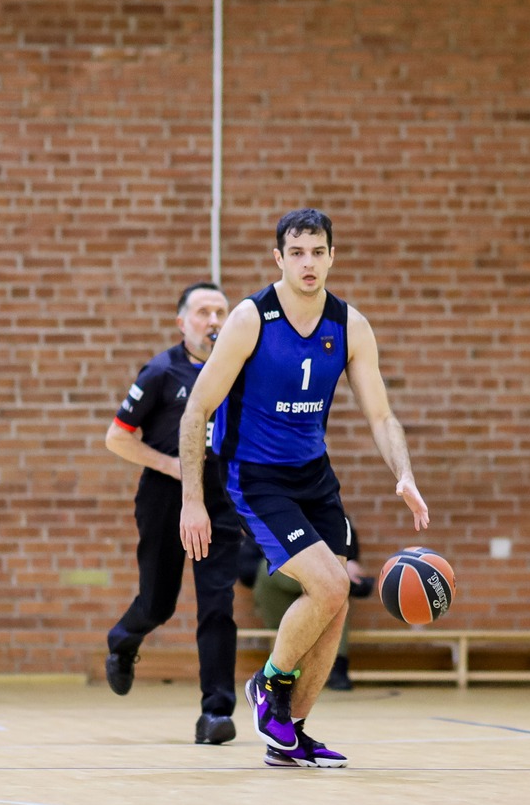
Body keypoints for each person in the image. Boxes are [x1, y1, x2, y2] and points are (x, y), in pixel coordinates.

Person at [179, 208, 428, 767]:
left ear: (332, 257)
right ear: (279, 259)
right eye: (297, 253)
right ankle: (267, 684)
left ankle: (290, 734)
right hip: (256, 477)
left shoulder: (349, 325)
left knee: (334, 606)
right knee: (332, 585)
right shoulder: (251, 319)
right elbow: (197, 410)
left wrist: (404, 474)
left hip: (314, 476)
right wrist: (192, 500)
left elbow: (382, 416)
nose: (308, 263)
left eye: (317, 252)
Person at [102, 282, 244, 744]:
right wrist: (175, 467)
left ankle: (216, 713)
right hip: (166, 498)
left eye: (221, 312)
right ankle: (123, 640)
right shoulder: (161, 372)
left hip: (219, 500)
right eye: (203, 312)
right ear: (182, 323)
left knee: (217, 604)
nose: (214, 321)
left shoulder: (239, 371)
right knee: (158, 602)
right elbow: (117, 438)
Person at [245, 531, 372, 690]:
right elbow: (246, 569)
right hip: (277, 589)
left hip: (322, 587)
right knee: (329, 580)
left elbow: (351, 557)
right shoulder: (269, 518)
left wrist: (349, 569)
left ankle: (335, 666)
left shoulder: (336, 521)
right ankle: (326, 666)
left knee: (334, 590)